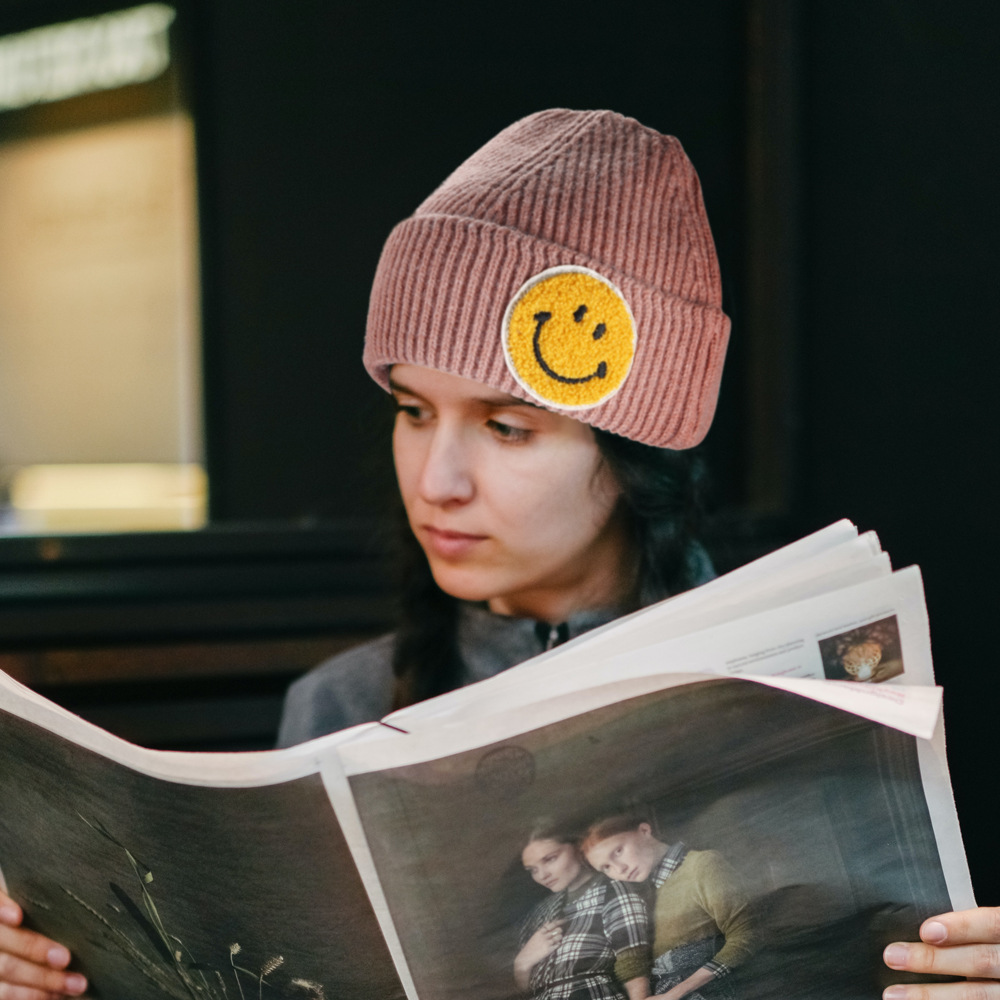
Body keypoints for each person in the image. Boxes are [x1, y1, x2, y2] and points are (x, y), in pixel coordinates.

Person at [0, 109, 996, 999]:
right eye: (410, 410)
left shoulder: (810, 698)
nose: (436, 479)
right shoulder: (339, 708)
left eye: (507, 427)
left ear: (632, 454)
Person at [582, 815, 753, 1000]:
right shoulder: (641, 895)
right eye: (606, 867)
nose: (619, 868)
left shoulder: (702, 865)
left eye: (618, 851)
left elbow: (747, 935)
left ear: (645, 831)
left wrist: (675, 994)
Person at [516, 823, 652, 1000]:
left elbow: (634, 968)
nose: (542, 876)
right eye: (533, 870)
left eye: (550, 859)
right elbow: (527, 991)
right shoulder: (540, 912)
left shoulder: (613, 890)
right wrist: (521, 963)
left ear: (577, 848)